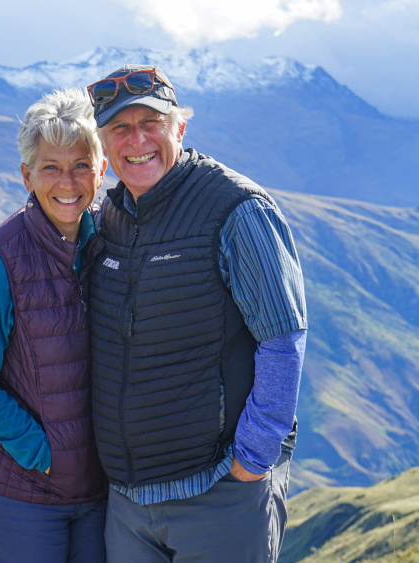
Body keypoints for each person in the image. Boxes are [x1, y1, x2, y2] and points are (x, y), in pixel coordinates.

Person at [85, 65, 307, 562]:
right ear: (102, 143)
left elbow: (283, 341)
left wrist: (252, 460)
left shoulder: (238, 210)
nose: (137, 140)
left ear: (179, 128)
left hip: (219, 494)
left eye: (152, 123)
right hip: (127, 504)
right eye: (120, 128)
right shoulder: (108, 220)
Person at [0, 88, 110, 563]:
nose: (68, 181)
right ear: (27, 175)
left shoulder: (116, 244)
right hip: (19, 493)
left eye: (81, 164)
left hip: (100, 494)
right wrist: (44, 455)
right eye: (51, 167)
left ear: (101, 171)